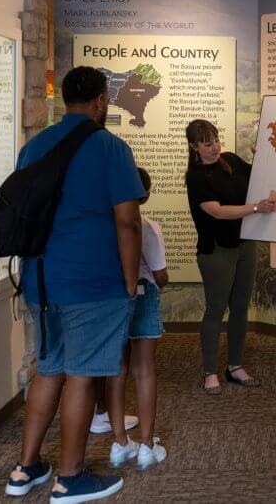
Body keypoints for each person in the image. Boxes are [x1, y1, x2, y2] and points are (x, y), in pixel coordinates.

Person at [5, 66, 145, 502]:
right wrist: (129, 281)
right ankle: (71, 477)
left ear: (65, 99)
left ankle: (25, 468)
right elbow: (127, 219)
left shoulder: (34, 147)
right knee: (83, 376)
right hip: (92, 282)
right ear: (102, 100)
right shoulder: (111, 148)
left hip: (41, 280)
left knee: (49, 370)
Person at [185, 119, 276, 395]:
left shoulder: (231, 161)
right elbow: (217, 211)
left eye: (216, 140)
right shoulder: (196, 176)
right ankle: (210, 371)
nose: (214, 147)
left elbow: (258, 178)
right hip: (216, 250)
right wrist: (256, 208)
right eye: (207, 143)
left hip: (244, 244)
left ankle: (235, 366)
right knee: (215, 310)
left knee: (240, 307)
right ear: (194, 146)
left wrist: (263, 156)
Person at [105, 167, 170, 471]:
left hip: (112, 297)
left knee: (115, 369)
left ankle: (119, 443)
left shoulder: (105, 226)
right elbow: (160, 274)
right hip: (144, 294)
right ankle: (146, 444)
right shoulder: (148, 227)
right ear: (145, 194)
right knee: (144, 370)